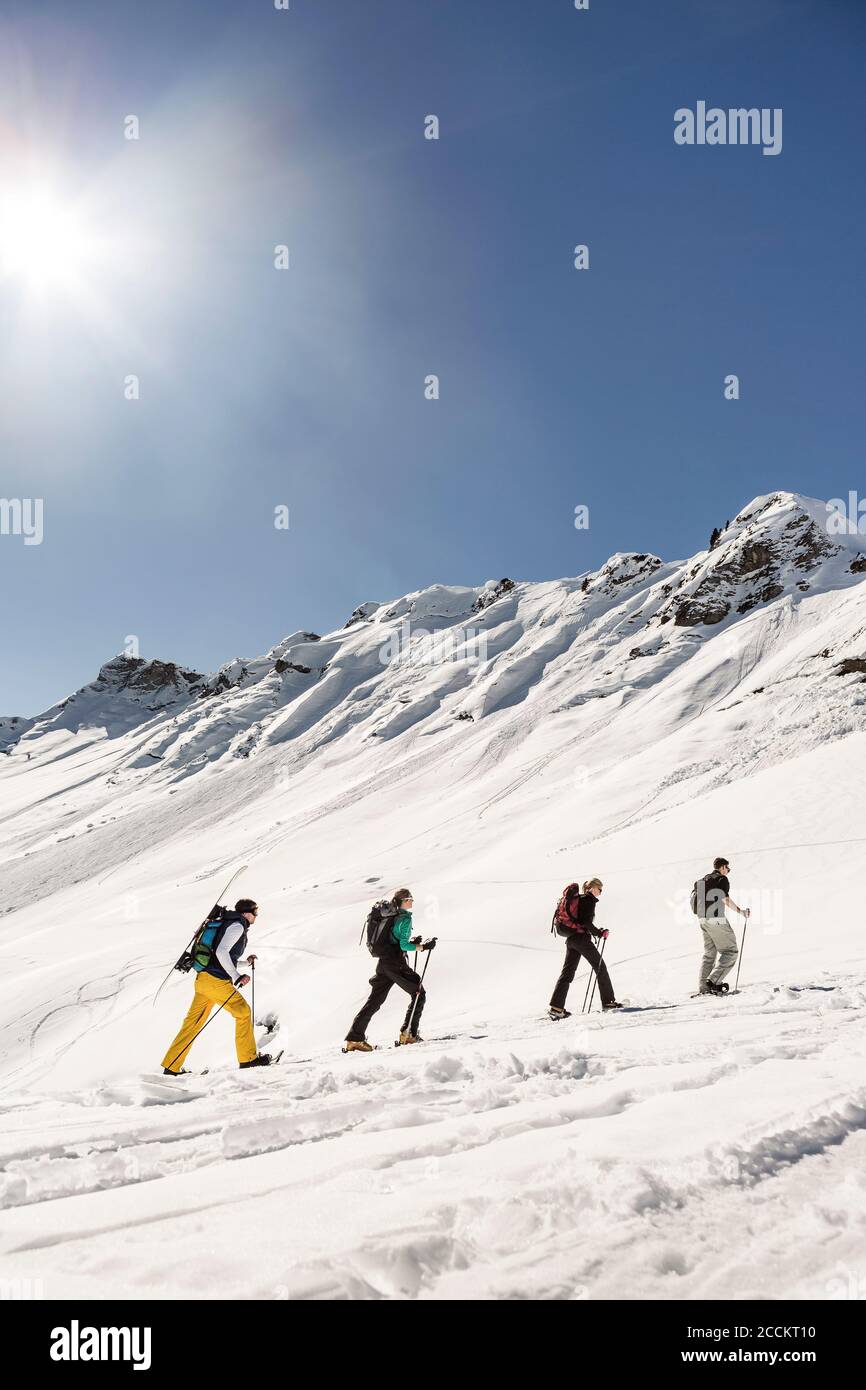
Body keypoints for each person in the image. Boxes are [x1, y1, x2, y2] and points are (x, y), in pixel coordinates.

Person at [161, 897, 274, 1074]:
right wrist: (237, 976)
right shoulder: (237, 926)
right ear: (246, 913)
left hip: (204, 980)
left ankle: (172, 1066)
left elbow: (220, 956)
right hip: (216, 982)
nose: (256, 916)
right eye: (255, 912)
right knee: (243, 1013)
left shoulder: (226, 922)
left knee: (192, 1023)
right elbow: (221, 952)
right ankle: (248, 1059)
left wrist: (244, 963)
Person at [344, 889, 436, 1051]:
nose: (412, 902)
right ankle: (409, 1034)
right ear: (403, 901)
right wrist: (423, 947)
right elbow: (403, 945)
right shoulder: (405, 918)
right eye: (410, 899)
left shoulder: (392, 916)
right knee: (418, 993)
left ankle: (354, 1039)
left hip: (384, 962)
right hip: (395, 962)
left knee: (374, 1001)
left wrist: (412, 941)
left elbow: (395, 939)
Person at [549, 878, 622, 1017]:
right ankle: (608, 1002)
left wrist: (594, 931)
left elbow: (581, 921)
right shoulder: (588, 899)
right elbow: (585, 922)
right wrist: (599, 933)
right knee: (600, 967)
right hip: (581, 939)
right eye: (600, 889)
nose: (600, 892)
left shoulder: (580, 899)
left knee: (567, 974)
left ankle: (556, 1008)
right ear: (593, 888)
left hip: (571, 939)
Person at [695, 857, 749, 995]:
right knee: (731, 952)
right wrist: (741, 911)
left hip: (702, 919)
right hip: (716, 918)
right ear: (723, 867)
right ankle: (713, 981)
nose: (728, 872)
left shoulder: (703, 880)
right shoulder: (721, 879)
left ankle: (704, 989)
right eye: (728, 869)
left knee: (709, 954)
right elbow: (725, 898)